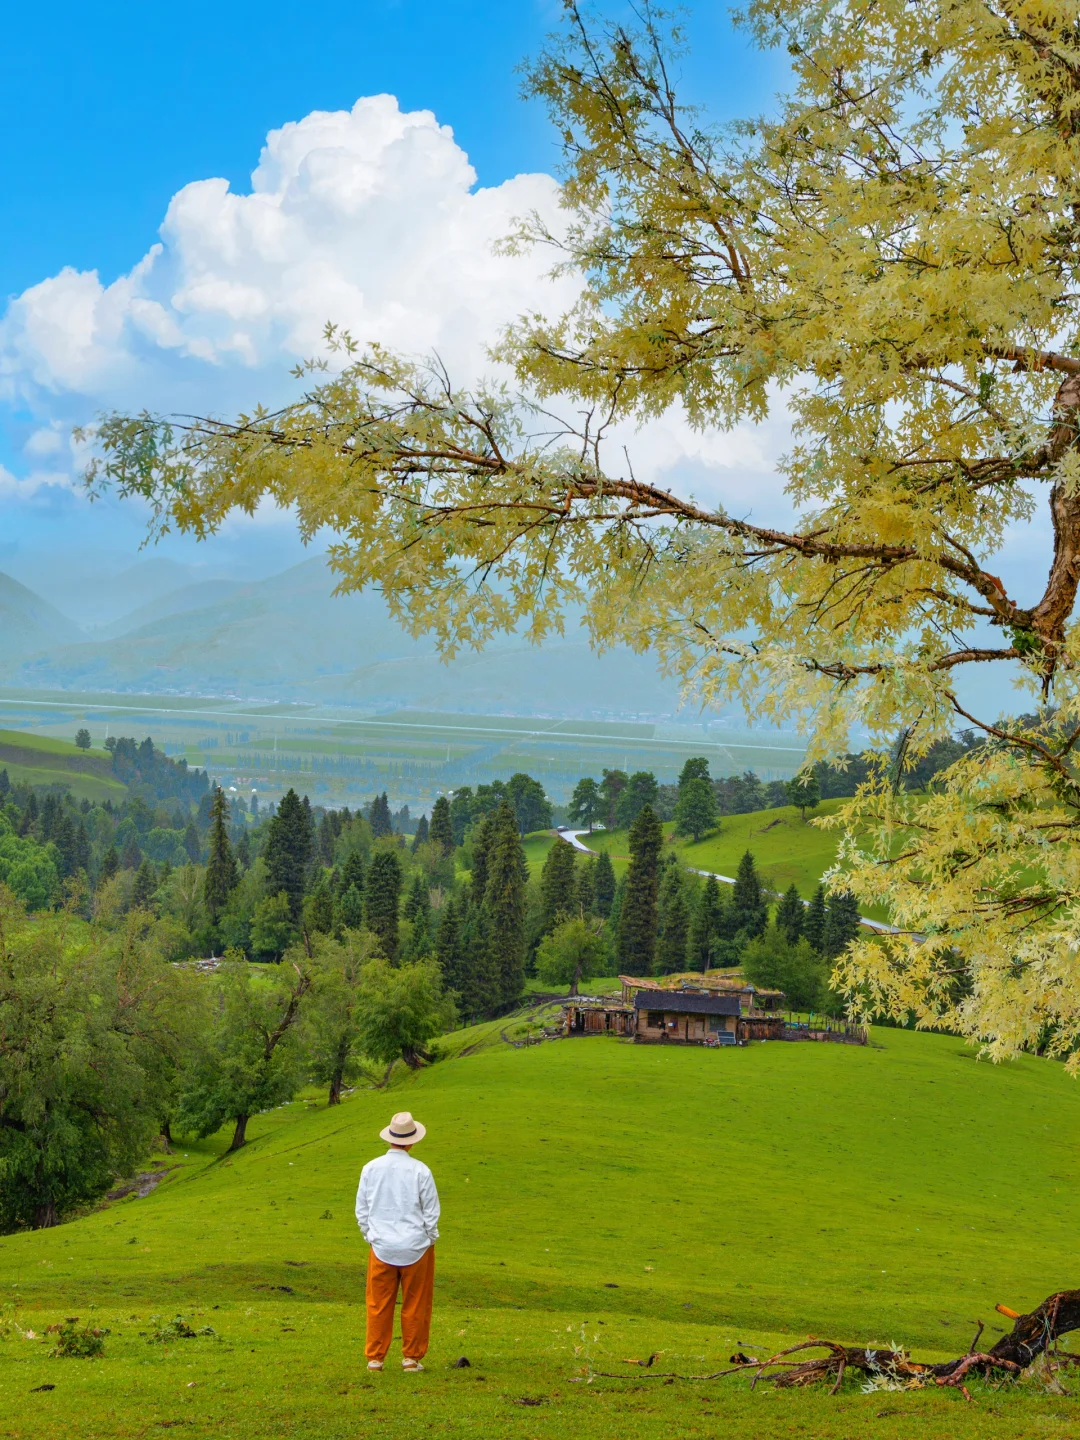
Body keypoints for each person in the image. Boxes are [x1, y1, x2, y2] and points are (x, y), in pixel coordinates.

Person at [355, 1110, 440, 1372]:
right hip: (416, 1246)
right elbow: (431, 1211)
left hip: (382, 1246)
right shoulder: (421, 1170)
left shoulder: (370, 1168)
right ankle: (411, 1358)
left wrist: (370, 1235)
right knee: (416, 1303)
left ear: (390, 1138)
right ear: (411, 1141)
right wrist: (429, 1237)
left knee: (378, 1303)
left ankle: (375, 1358)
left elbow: (362, 1209)